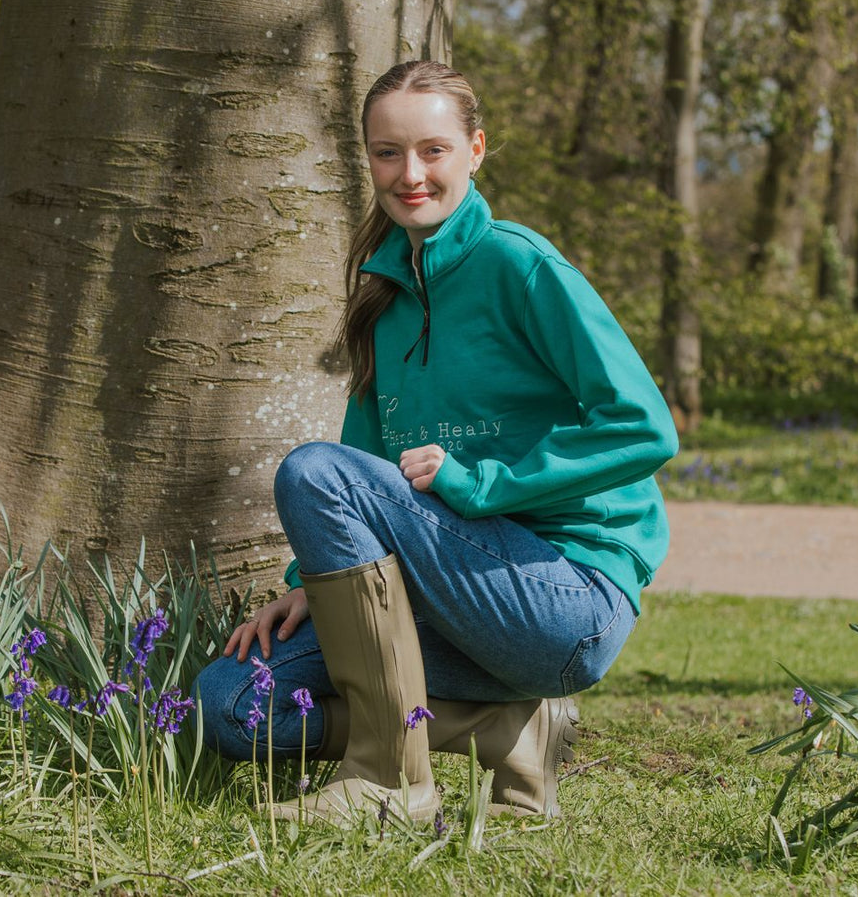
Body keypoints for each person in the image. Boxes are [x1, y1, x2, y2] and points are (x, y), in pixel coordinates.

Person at [196, 59, 678, 823]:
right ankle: (507, 726)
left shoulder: (520, 267)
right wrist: (308, 582)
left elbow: (644, 428)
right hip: (450, 593)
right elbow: (368, 470)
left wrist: (481, 483)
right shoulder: (385, 297)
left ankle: (389, 783)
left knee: (311, 468)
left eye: (433, 150)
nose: (409, 172)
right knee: (232, 702)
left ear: (476, 150)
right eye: (387, 152)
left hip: (564, 597)